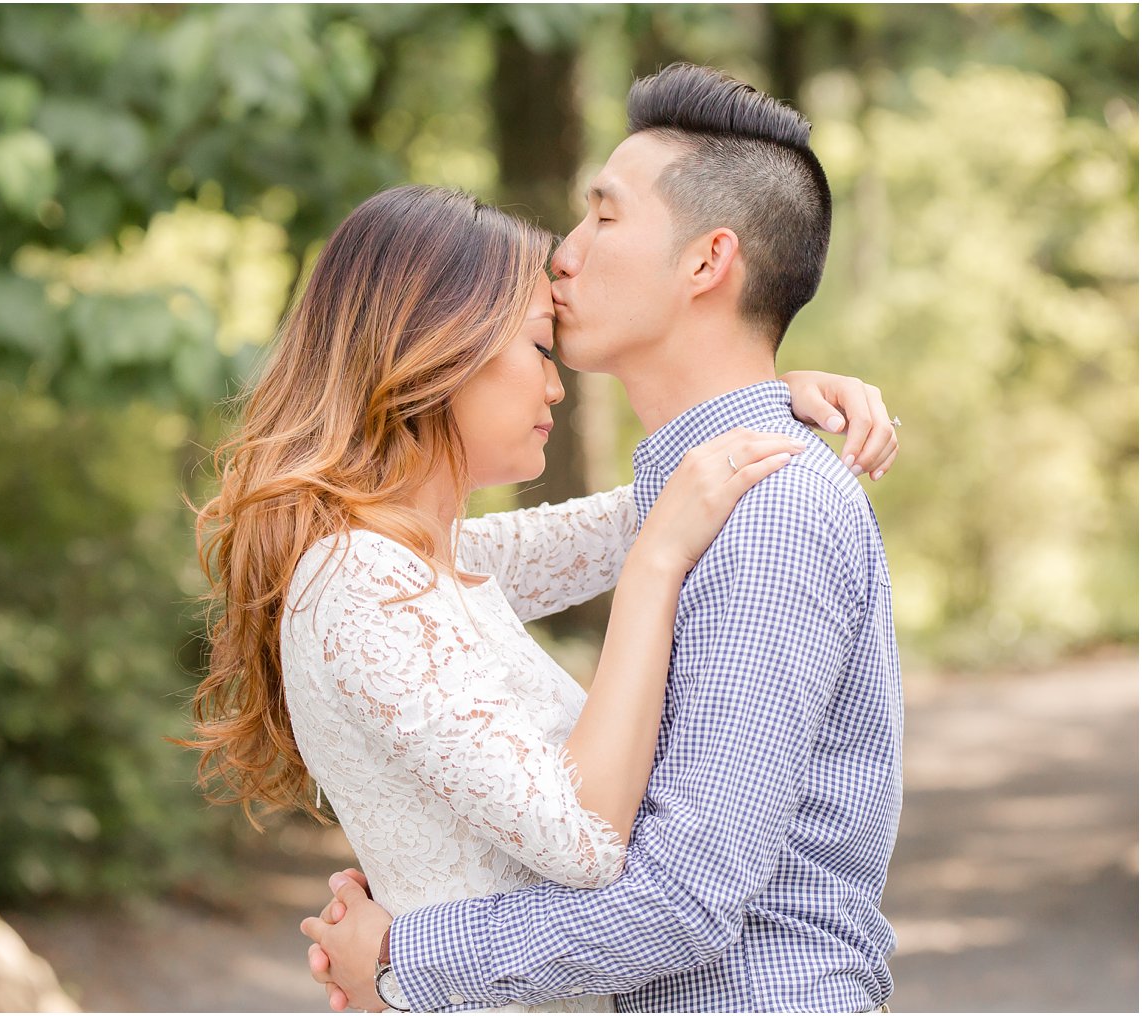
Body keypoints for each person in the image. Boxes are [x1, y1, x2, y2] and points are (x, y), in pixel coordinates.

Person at [301, 64, 902, 1014]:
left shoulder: (773, 511)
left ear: (707, 263)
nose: (562, 257)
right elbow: (435, 564)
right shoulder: (700, 500)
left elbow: (686, 897)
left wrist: (402, 955)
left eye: (604, 219)